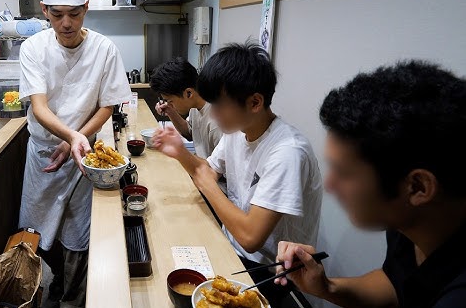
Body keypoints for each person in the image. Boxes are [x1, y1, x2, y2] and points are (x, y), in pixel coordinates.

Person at [275, 61, 466, 308]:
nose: (329, 185)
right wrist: (326, 287)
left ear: (418, 187)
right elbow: (395, 284)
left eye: (343, 173)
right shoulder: (411, 217)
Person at [152, 42, 322, 304]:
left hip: (267, 274)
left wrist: (206, 182)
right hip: (231, 249)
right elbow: (206, 169)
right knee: (163, 252)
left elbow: (251, 237)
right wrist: (180, 152)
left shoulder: (287, 152)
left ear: (255, 102)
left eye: (219, 105)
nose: (213, 113)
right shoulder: (238, 131)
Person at [18, 0, 131, 308]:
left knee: (78, 232)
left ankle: (73, 298)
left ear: (86, 7)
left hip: (83, 156)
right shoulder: (33, 48)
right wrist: (69, 135)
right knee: (37, 229)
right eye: (57, 14)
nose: (65, 23)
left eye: (74, 13)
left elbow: (107, 104)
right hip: (43, 155)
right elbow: (39, 107)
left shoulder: (104, 49)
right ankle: (56, 285)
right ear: (44, 10)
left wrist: (76, 139)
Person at [149, 57, 222, 160]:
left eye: (170, 101)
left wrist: (179, 152)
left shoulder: (217, 120)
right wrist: (170, 111)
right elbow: (189, 133)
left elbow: (218, 170)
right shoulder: (194, 106)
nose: (169, 104)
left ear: (188, 93)